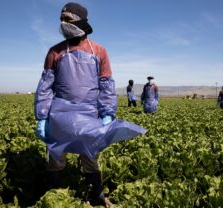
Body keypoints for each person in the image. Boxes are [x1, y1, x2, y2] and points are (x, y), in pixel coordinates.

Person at [34, 2, 146, 207]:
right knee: (56, 156)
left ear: (81, 21)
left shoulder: (99, 52)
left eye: (67, 19)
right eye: (61, 19)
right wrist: (42, 117)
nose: (62, 24)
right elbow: (45, 87)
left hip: (89, 114)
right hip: (60, 114)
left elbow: (106, 85)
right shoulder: (55, 52)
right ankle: (54, 196)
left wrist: (107, 113)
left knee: (90, 156)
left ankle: (96, 195)